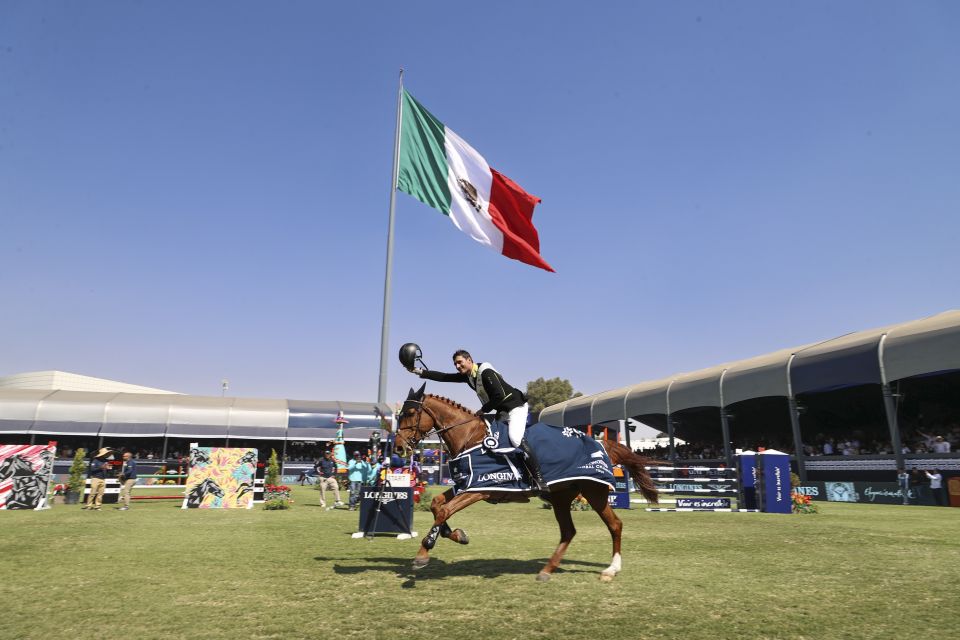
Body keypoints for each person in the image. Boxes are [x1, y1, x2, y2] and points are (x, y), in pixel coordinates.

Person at [407, 348, 547, 491]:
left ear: (469, 360)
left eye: (460, 362)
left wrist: (483, 410)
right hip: (503, 410)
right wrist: (418, 371)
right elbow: (444, 377)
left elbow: (499, 396)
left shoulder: (486, 372)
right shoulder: (468, 376)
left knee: (515, 439)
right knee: (493, 438)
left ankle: (539, 479)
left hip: (516, 407)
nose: (457, 366)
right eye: (455, 364)